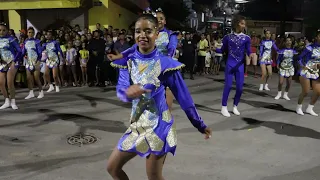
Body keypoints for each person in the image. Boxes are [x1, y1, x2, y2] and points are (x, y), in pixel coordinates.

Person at [106, 13, 212, 180]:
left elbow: (185, 99)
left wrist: (199, 124)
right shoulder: (128, 62)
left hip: (159, 127)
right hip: (137, 125)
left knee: (154, 177)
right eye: (138, 31)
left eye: (148, 31)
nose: (142, 36)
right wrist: (127, 93)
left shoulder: (166, 65)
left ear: (157, 34)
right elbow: (121, 89)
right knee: (112, 168)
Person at [107, 7, 178, 112]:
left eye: (161, 18)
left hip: (164, 67)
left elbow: (171, 49)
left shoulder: (171, 34)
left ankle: (165, 123)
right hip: (147, 67)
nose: (159, 20)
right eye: (156, 18)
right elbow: (133, 48)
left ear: (165, 21)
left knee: (166, 107)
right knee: (146, 102)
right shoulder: (148, 33)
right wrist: (118, 56)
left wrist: (165, 62)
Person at [215, 15, 251, 117]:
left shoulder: (246, 38)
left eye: (244, 24)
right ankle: (224, 107)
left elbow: (248, 50)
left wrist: (251, 54)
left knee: (240, 88)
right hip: (230, 64)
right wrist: (215, 49)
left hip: (240, 65)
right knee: (228, 85)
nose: (244, 26)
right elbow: (222, 50)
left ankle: (235, 106)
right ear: (236, 24)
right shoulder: (227, 37)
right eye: (242, 23)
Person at [296, 31, 320, 116]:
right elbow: (299, 57)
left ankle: (310, 108)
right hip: (306, 71)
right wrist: (302, 66)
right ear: (316, 37)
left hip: (316, 72)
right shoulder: (309, 47)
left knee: (318, 91)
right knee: (305, 91)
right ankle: (299, 107)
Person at [0, 22, 22, 110]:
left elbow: (19, 50)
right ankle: (6, 101)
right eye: (0, 30)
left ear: (7, 31)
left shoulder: (11, 39)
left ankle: (13, 101)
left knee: (9, 82)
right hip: (2, 63)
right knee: (1, 83)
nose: (1, 32)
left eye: (3, 30)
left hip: (12, 62)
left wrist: (14, 60)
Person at [23, 27, 44, 99]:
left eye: (32, 32)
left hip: (36, 61)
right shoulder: (25, 41)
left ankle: (41, 92)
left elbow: (40, 52)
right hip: (28, 62)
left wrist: (38, 61)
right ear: (27, 33)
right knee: (29, 78)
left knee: (36, 78)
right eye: (29, 32)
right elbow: (23, 51)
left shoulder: (37, 41)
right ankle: (31, 93)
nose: (30, 34)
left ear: (34, 33)